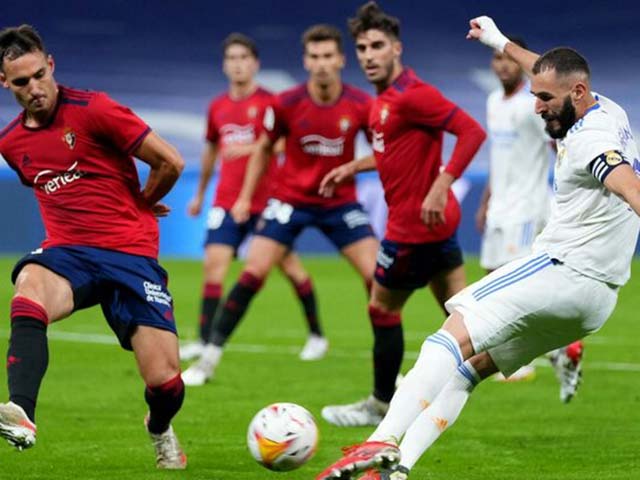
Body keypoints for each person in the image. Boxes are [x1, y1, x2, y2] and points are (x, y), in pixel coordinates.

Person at [316, 15, 640, 480]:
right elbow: (542, 70)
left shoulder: (592, 140)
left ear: (577, 94)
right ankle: (397, 469)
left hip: (563, 270)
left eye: (544, 99)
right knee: (470, 368)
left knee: (452, 332)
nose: (536, 107)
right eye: (535, 95)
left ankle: (378, 442)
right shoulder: (607, 109)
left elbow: (631, 188)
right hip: (596, 303)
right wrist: (499, 40)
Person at [0, 25, 188, 469]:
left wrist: (141, 203)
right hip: (69, 253)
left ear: (51, 66)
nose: (34, 88)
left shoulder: (95, 109)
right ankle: (21, 410)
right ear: (4, 83)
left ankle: (159, 428)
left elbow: (171, 161)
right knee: (29, 286)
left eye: (38, 75)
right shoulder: (10, 143)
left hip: (130, 254)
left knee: (166, 384)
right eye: (21, 82)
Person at [181, 24, 379, 386]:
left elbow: (384, 152)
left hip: (340, 201)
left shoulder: (361, 104)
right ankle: (207, 361)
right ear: (306, 60)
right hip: (290, 200)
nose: (321, 64)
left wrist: (354, 167)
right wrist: (244, 196)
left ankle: (386, 373)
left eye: (328, 56)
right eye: (314, 57)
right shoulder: (285, 103)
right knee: (252, 271)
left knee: (376, 276)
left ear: (340, 60)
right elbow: (263, 150)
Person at [319, 1, 486, 427]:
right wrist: (354, 166)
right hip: (436, 224)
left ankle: (380, 403)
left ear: (397, 49)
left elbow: (471, 131)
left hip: (412, 229)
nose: (368, 55)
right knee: (460, 315)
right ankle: (486, 369)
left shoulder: (414, 95)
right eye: (362, 47)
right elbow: (393, 152)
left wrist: (442, 183)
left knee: (381, 309)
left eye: (377, 45)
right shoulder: (383, 102)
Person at [180, 33, 327, 364]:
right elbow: (211, 152)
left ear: (255, 64)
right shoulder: (217, 106)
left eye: (243, 58)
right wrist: (200, 195)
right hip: (226, 201)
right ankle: (205, 342)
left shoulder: (271, 103)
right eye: (231, 58)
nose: (237, 64)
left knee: (290, 268)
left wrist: (248, 148)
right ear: (224, 65)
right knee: (213, 268)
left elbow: (281, 144)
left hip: (267, 201)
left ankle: (317, 335)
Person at [476, 36, 585, 392]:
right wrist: (485, 202)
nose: (502, 65)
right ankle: (558, 349)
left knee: (513, 289)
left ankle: (523, 359)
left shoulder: (533, 105)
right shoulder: (494, 101)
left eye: (506, 58)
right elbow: (498, 157)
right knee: (493, 284)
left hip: (526, 208)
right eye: (495, 59)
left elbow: (560, 143)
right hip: (499, 209)